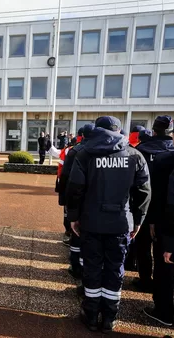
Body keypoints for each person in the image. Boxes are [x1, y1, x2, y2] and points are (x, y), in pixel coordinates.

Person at [67, 116, 151, 333]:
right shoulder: (135, 155)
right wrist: (139, 220)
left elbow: (75, 189)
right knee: (115, 269)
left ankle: (91, 315)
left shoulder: (84, 154)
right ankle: (109, 319)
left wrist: (74, 217)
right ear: (119, 130)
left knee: (92, 267)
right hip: (120, 223)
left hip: (91, 221)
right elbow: (143, 192)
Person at [133, 116, 174, 293]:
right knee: (162, 251)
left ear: (154, 130)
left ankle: (144, 280)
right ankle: (159, 287)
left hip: (144, 205)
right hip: (167, 210)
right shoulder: (172, 152)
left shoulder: (141, 150)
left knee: (142, 247)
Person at [58, 124, 94, 282]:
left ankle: (76, 266)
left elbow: (64, 176)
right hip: (98, 205)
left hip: (78, 201)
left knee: (77, 234)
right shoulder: (121, 152)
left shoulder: (75, 151)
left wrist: (65, 201)